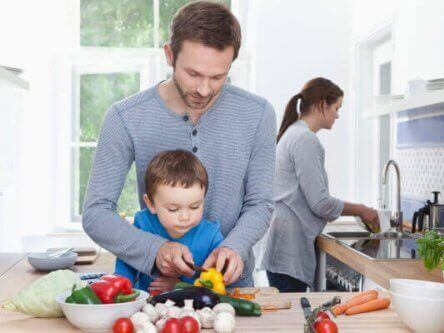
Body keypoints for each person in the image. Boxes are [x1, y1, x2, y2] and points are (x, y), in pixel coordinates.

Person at [83, 1, 276, 288]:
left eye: (218, 77)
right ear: (169, 55)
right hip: (156, 291)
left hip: (232, 292)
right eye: (193, 74)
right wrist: (154, 249)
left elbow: (260, 203)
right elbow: (96, 212)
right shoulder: (125, 117)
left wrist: (234, 246)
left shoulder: (258, 114)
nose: (204, 89)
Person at [261, 78, 379, 292]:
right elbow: (320, 203)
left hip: (284, 244)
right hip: (289, 248)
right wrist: (361, 210)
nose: (337, 114)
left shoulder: (294, 133)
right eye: (336, 107)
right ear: (323, 104)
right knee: (292, 321)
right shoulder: (305, 139)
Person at [114, 150, 223, 293]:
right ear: (151, 204)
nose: (185, 217)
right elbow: (127, 260)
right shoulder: (143, 223)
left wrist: (179, 286)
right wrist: (121, 288)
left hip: (194, 310)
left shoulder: (212, 235)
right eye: (173, 209)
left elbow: (215, 283)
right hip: (146, 305)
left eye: (195, 206)